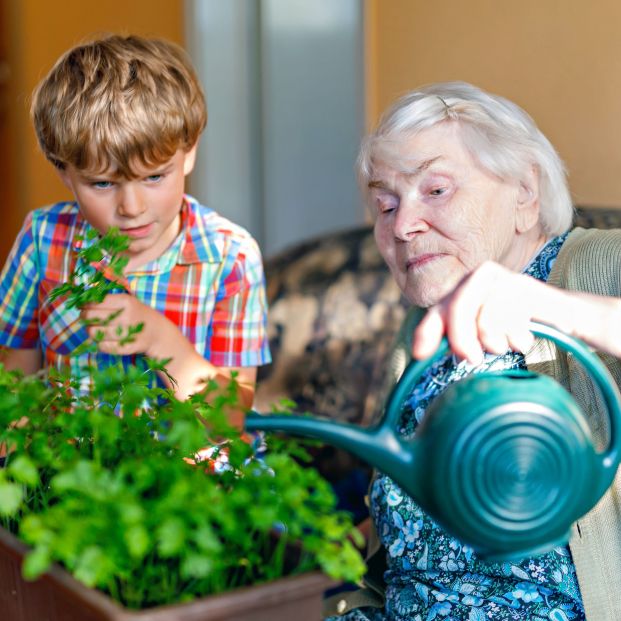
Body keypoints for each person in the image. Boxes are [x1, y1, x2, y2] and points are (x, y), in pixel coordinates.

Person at [326, 82, 621, 621]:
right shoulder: (422, 331)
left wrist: (551, 305)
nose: (402, 225)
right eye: (385, 205)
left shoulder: (600, 262)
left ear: (525, 194)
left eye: (435, 191)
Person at [0, 34, 271, 412]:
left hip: (192, 469)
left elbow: (230, 417)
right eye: (103, 184)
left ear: (189, 151)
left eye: (154, 177)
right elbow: (16, 380)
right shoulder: (42, 240)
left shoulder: (231, 257)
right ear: (64, 172)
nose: (131, 207)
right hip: (74, 466)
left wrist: (159, 338)